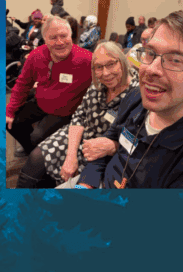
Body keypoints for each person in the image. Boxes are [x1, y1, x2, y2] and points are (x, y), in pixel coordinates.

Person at [77, 11, 183, 189]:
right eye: (150, 53)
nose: (150, 69)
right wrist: (85, 184)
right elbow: (104, 144)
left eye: (174, 59)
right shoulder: (135, 97)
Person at [16, 42, 137, 188]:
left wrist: (113, 146)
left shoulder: (136, 94)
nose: (105, 73)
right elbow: (79, 116)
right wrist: (71, 155)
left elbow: (135, 141)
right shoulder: (99, 84)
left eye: (111, 64)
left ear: (122, 62)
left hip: (103, 153)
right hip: (78, 135)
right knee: (36, 158)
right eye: (99, 67)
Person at [6, 15, 93, 156]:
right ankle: (33, 150)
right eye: (53, 38)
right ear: (45, 40)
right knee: (10, 121)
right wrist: (10, 110)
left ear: (71, 36)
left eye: (64, 36)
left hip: (65, 111)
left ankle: (37, 151)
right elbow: (22, 85)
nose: (60, 42)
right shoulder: (36, 56)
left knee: (37, 137)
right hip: (41, 103)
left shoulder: (87, 59)